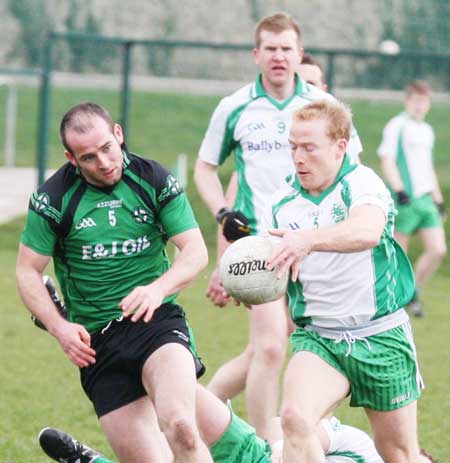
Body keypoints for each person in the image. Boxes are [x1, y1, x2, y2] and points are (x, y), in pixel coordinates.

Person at [194, 12, 363, 440]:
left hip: (312, 244)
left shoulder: (323, 109)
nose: (279, 56)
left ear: (299, 53)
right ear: (257, 55)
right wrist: (221, 214)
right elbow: (205, 169)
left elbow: (353, 169)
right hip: (261, 248)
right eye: (270, 48)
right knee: (271, 347)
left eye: (286, 48)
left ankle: (200, 409)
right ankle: (266, 448)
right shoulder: (235, 107)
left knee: (266, 351)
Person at [16, 102, 213, 463]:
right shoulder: (54, 199)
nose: (104, 162)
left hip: (156, 322)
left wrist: (157, 289)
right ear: (71, 158)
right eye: (88, 157)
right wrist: (59, 328)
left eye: (107, 148)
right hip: (98, 344)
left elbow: (196, 251)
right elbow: (27, 271)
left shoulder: (152, 178)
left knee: (183, 427)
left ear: (118, 135)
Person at [34, 275, 384, 463]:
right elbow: (294, 430)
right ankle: (69, 321)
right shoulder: (364, 450)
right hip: (248, 452)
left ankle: (89, 461)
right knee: (171, 394)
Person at [265, 99, 426, 463]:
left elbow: (366, 230)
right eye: (292, 147)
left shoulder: (362, 183)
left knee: (398, 454)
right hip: (320, 338)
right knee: (294, 419)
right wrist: (253, 280)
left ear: (340, 146)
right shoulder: (282, 200)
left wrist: (308, 239)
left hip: (381, 335)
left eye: (309, 147)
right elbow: (276, 264)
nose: (298, 157)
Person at [377, 80, 447, 317]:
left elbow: (427, 167)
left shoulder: (426, 130)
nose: (419, 105)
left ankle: (413, 293)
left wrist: (438, 199)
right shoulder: (397, 125)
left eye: (424, 101)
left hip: (425, 200)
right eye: (415, 100)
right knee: (399, 254)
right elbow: (387, 159)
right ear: (407, 101)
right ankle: (392, 303)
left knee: (438, 249)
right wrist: (399, 189)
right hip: (403, 199)